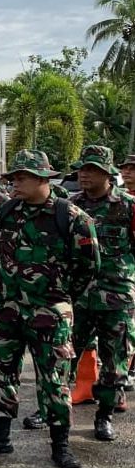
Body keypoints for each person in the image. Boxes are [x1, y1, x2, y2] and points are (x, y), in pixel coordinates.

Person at [0, 150, 99, 468]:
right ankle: (0, 437)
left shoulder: (71, 217)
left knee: (54, 379)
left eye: (23, 177)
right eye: (14, 177)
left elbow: (89, 266)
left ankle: (61, 445)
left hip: (50, 313)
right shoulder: (8, 211)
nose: (16, 183)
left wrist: (60, 296)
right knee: (0, 373)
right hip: (7, 310)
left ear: (43, 179)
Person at [66, 145, 135, 442]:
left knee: (115, 361)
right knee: (63, 355)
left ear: (108, 174)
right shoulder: (69, 205)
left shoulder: (128, 206)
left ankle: (104, 415)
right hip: (78, 296)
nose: (84, 174)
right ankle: (53, 409)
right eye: (82, 168)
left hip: (116, 296)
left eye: (91, 169)